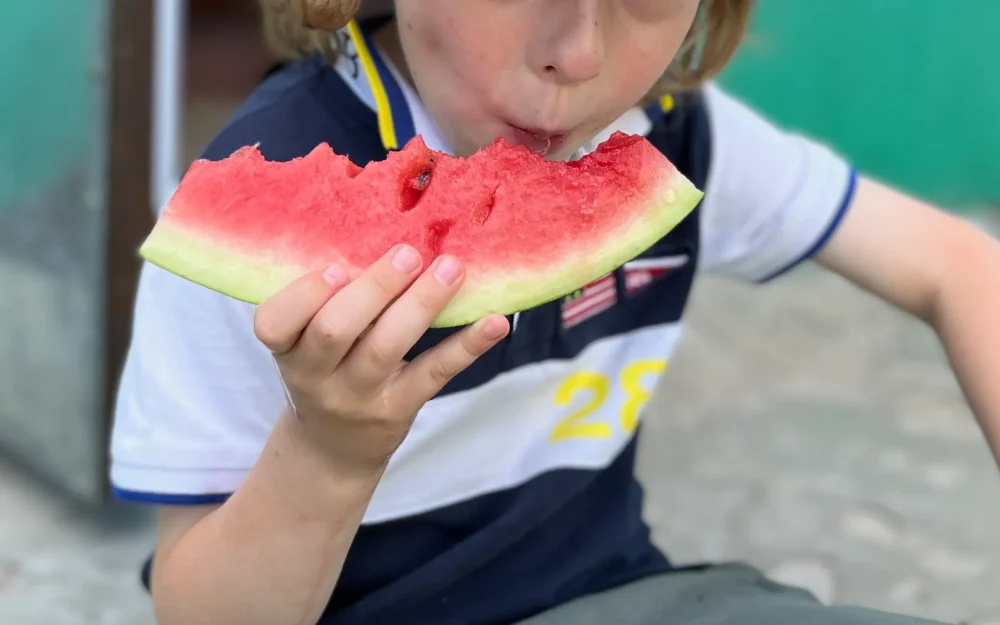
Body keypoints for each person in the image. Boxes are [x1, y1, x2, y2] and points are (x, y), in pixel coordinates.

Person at [109, 1, 1000, 624]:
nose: (575, 55)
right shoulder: (245, 220)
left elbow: (957, 265)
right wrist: (328, 453)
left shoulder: (678, 137)